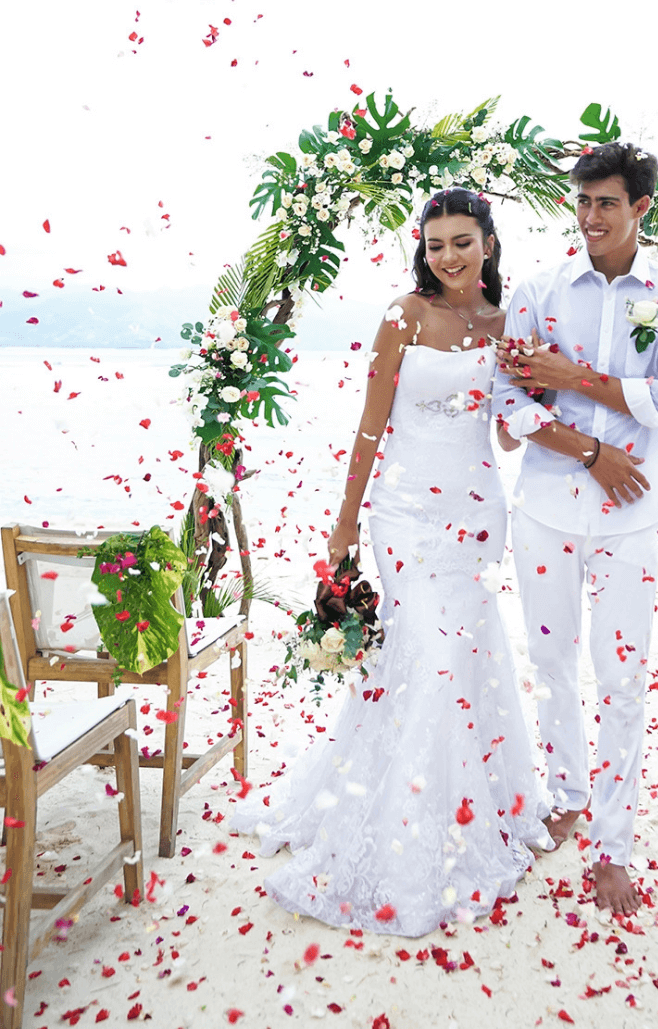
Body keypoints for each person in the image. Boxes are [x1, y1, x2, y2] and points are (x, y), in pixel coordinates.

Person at [232, 188, 552, 937]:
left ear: (490, 244)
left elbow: (506, 434)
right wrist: (344, 527)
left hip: (477, 512)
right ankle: (401, 833)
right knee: (431, 657)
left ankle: (462, 805)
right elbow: (370, 429)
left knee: (462, 660)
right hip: (406, 516)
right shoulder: (402, 317)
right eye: (436, 243)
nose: (448, 256)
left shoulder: (506, 325)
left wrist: (532, 384)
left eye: (462, 241)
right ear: (424, 248)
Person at [493, 142, 658, 915]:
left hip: (630, 517)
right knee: (549, 662)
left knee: (621, 680)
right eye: (582, 202)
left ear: (641, 207)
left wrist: (573, 378)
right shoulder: (537, 289)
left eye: (606, 203)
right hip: (545, 508)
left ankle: (613, 845)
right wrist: (594, 449)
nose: (589, 218)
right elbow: (509, 401)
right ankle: (569, 794)